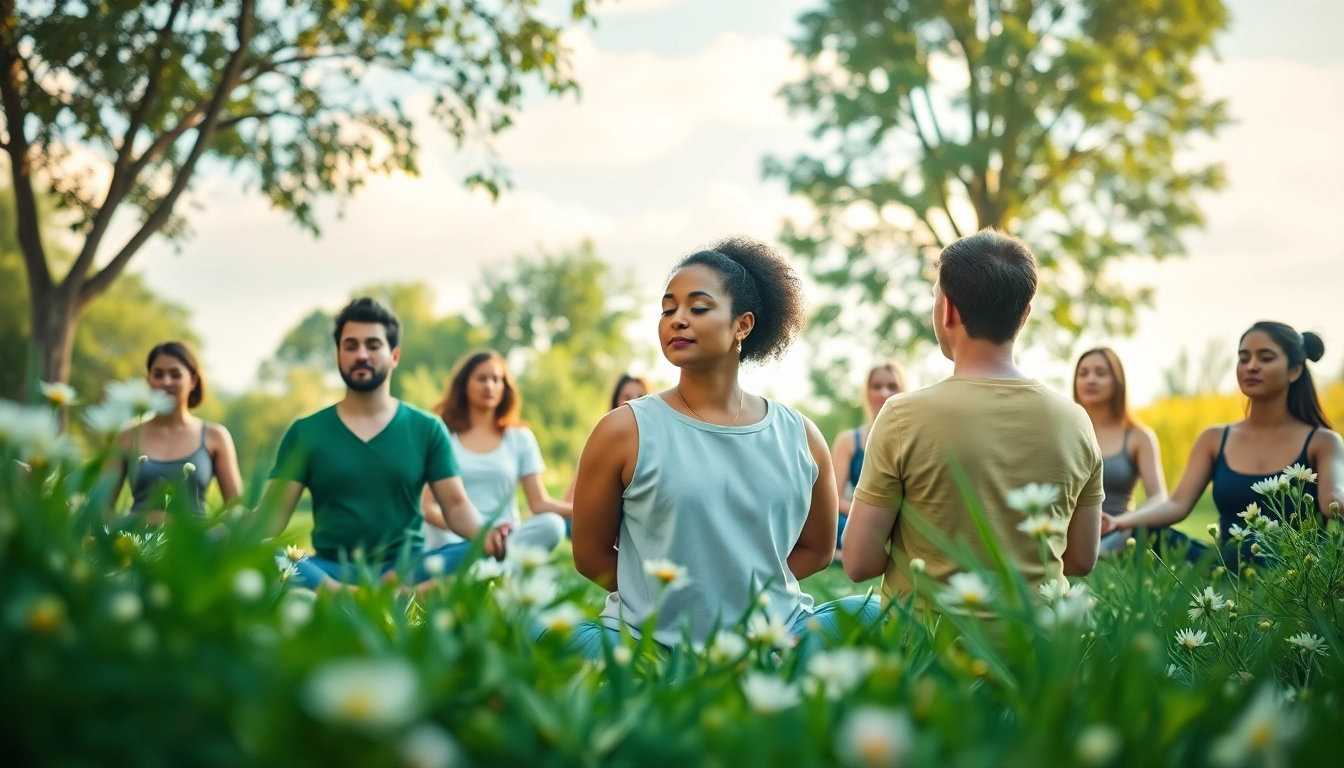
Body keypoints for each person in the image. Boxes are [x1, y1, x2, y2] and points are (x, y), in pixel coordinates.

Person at [569, 236, 879, 657]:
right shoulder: (623, 430)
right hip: (649, 640)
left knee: (878, 613)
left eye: (697, 307)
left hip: (775, 634)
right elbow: (589, 555)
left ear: (742, 325)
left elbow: (818, 550)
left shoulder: (802, 436)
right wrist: (679, 603)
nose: (677, 319)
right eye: (667, 309)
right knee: (544, 638)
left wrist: (741, 602)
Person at [843, 229, 1105, 604]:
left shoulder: (902, 415)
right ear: (1025, 315)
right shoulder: (1076, 421)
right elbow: (1081, 558)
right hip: (1044, 649)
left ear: (948, 309)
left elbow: (858, 563)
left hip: (925, 649)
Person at [262, 298, 512, 590]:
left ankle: (390, 594)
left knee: (480, 553)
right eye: (351, 346)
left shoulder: (427, 428)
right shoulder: (305, 432)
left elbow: (456, 507)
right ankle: (361, 597)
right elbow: (273, 514)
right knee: (268, 555)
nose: (361, 354)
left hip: (407, 568)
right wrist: (233, 529)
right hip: (329, 571)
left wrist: (487, 534)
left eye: (373, 345)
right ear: (338, 355)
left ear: (394, 356)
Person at [1104, 323, 1342, 549]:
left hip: (1293, 574)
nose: (1251, 366)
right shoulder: (1215, 439)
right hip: (1230, 568)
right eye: (1243, 358)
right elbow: (1177, 504)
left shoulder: (1323, 442)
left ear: (1295, 370)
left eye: (1266, 358)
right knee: (1148, 534)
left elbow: (1333, 501)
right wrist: (1121, 522)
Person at [420, 351, 567, 555]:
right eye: (481, 379)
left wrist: (586, 510)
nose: (489, 386)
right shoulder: (443, 435)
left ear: (505, 388)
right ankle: (489, 568)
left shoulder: (520, 437)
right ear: (464, 385)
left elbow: (539, 503)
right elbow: (427, 507)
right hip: (455, 536)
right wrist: (480, 534)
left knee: (553, 525)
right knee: (434, 535)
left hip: (505, 538)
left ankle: (486, 567)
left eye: (496, 380)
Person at [113, 341, 242, 518]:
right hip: (135, 542)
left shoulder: (215, 436)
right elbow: (101, 507)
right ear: (148, 380)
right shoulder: (127, 435)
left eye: (175, 375)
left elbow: (235, 509)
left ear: (193, 381)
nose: (166, 382)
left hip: (194, 543)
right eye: (158, 374)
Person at [1072, 348, 1167, 552]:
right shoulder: (1064, 431)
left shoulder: (1139, 437)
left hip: (1119, 537)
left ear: (1117, 381)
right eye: (1083, 373)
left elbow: (1158, 498)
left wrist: (1123, 523)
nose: (1090, 379)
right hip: (1068, 535)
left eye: (1100, 373)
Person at [830, 363, 907, 561]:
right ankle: (842, 553)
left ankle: (842, 555)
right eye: (876, 386)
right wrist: (870, 515)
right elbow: (835, 498)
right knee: (828, 522)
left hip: (902, 522)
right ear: (867, 392)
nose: (883, 393)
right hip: (859, 520)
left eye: (892, 386)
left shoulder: (913, 439)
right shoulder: (848, 441)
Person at [561, 373, 650, 509]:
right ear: (615, 402)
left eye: (641, 397)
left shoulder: (654, 445)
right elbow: (570, 501)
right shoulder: (601, 442)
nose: (634, 402)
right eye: (627, 397)